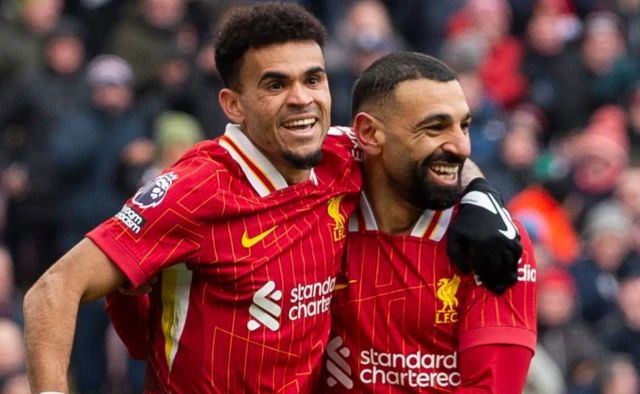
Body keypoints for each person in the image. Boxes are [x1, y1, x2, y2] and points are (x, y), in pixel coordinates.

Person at [24, 4, 521, 393]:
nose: (302, 97)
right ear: (233, 104)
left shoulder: (340, 154)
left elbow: (432, 145)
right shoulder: (197, 189)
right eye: (275, 84)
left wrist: (480, 194)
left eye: (313, 78)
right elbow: (53, 291)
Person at [316, 53, 537, 392]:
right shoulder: (316, 208)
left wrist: (480, 191)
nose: (462, 147)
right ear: (370, 133)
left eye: (464, 126)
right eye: (435, 127)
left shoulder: (493, 240)